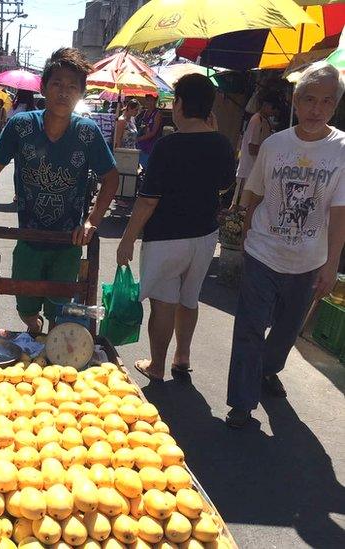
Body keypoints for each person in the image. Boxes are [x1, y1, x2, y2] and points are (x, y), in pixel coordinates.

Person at [0, 47, 119, 334]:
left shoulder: (87, 132)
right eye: (57, 84)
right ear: (44, 88)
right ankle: (34, 326)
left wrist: (92, 221)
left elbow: (111, 177)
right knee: (26, 308)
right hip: (28, 237)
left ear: (81, 94)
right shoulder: (21, 126)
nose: (64, 92)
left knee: (61, 312)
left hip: (68, 241)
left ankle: (52, 339)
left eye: (73, 87)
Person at [226, 62, 345, 428]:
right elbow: (254, 191)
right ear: (296, 100)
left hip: (309, 259)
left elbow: (340, 212)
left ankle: (268, 369)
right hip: (264, 252)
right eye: (309, 99)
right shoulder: (276, 144)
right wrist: (244, 232)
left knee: (287, 329)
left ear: (335, 105)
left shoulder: (341, 148)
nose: (316, 109)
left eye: (326, 101)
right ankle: (241, 405)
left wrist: (331, 265)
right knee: (249, 326)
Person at [116, 74, 235, 381]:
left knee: (164, 301)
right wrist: (217, 137)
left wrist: (127, 238)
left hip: (166, 238)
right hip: (205, 236)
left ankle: (157, 365)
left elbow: (147, 201)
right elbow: (225, 187)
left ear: (179, 104)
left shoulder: (167, 146)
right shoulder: (221, 144)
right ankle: (182, 356)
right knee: (189, 298)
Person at [233, 92, 279, 206]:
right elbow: (252, 148)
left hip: (254, 170)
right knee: (241, 204)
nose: (273, 113)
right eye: (272, 109)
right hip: (248, 169)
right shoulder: (256, 121)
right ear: (266, 106)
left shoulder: (264, 121)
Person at [136, 94, 163, 168]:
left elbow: (153, 132)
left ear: (155, 101)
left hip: (151, 144)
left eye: (151, 100)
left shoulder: (157, 113)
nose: (149, 103)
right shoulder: (144, 112)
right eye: (147, 100)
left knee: (148, 166)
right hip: (141, 144)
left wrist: (139, 139)